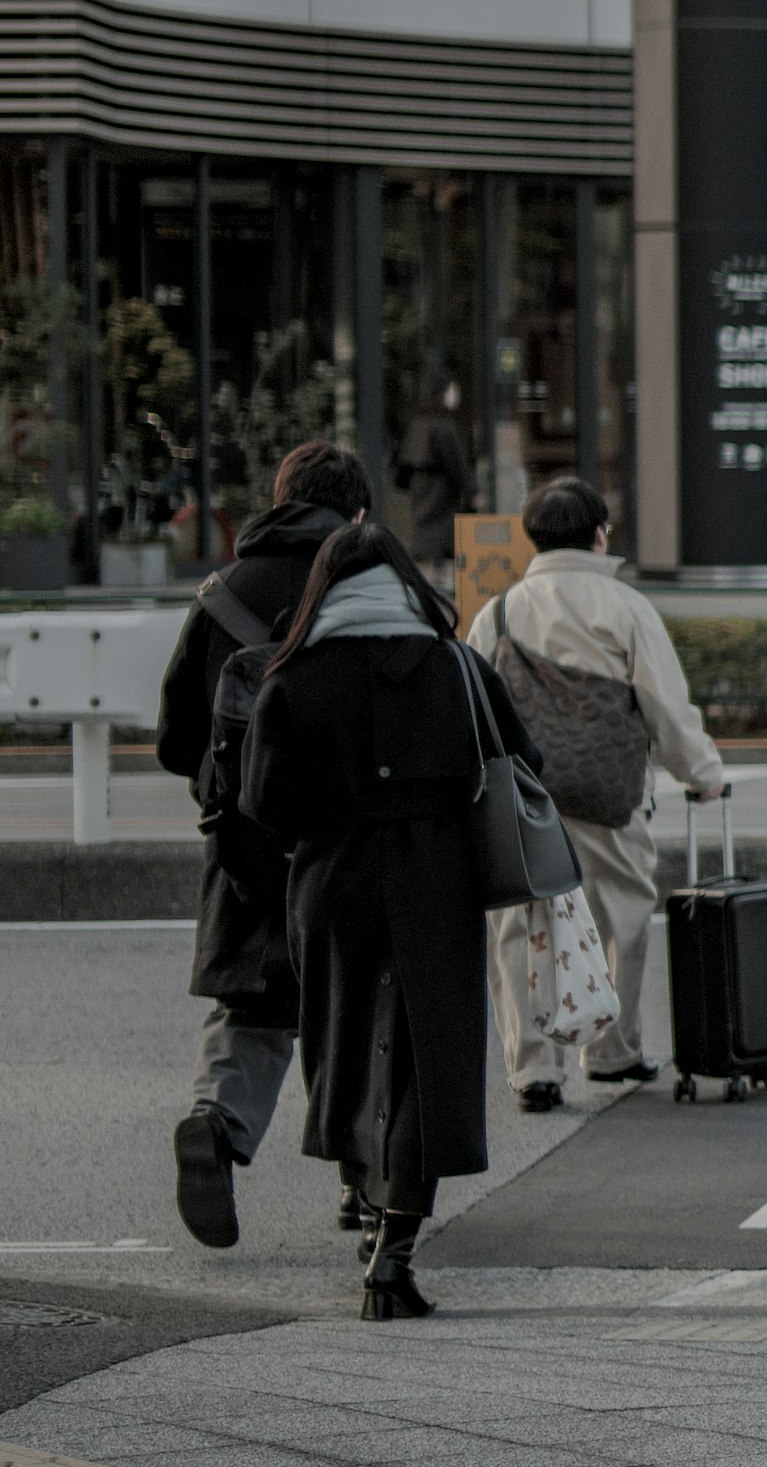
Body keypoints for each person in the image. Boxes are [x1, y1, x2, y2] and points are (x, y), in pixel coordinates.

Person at [236, 523, 530, 1319]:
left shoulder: (293, 676)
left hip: (333, 879)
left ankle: (360, 1197)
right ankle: (394, 1253)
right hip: (436, 879)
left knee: (344, 1042)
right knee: (424, 1062)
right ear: (405, 581)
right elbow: (520, 762)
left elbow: (264, 802)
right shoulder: (454, 666)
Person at [156, 440, 367, 1249]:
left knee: (254, 997)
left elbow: (177, 736)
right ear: (356, 514)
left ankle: (216, 1122)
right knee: (359, 1002)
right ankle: (366, 1180)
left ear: (279, 499)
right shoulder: (360, 583)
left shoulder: (222, 593)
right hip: (345, 833)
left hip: (244, 835)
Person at [465, 479, 731, 1112]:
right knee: (622, 913)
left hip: (524, 796)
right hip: (608, 791)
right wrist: (702, 772)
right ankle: (610, 1050)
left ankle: (534, 1069)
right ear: (599, 534)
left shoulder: (497, 612)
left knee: (517, 924)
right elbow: (664, 703)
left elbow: (471, 709)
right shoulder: (625, 606)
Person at [395, 379, 472, 568]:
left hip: (421, 485)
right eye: (452, 391)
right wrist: (469, 488)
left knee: (424, 529)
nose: (455, 396)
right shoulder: (443, 424)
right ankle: (436, 570)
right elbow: (454, 462)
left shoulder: (420, 422)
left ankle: (427, 568)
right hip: (440, 488)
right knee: (439, 532)